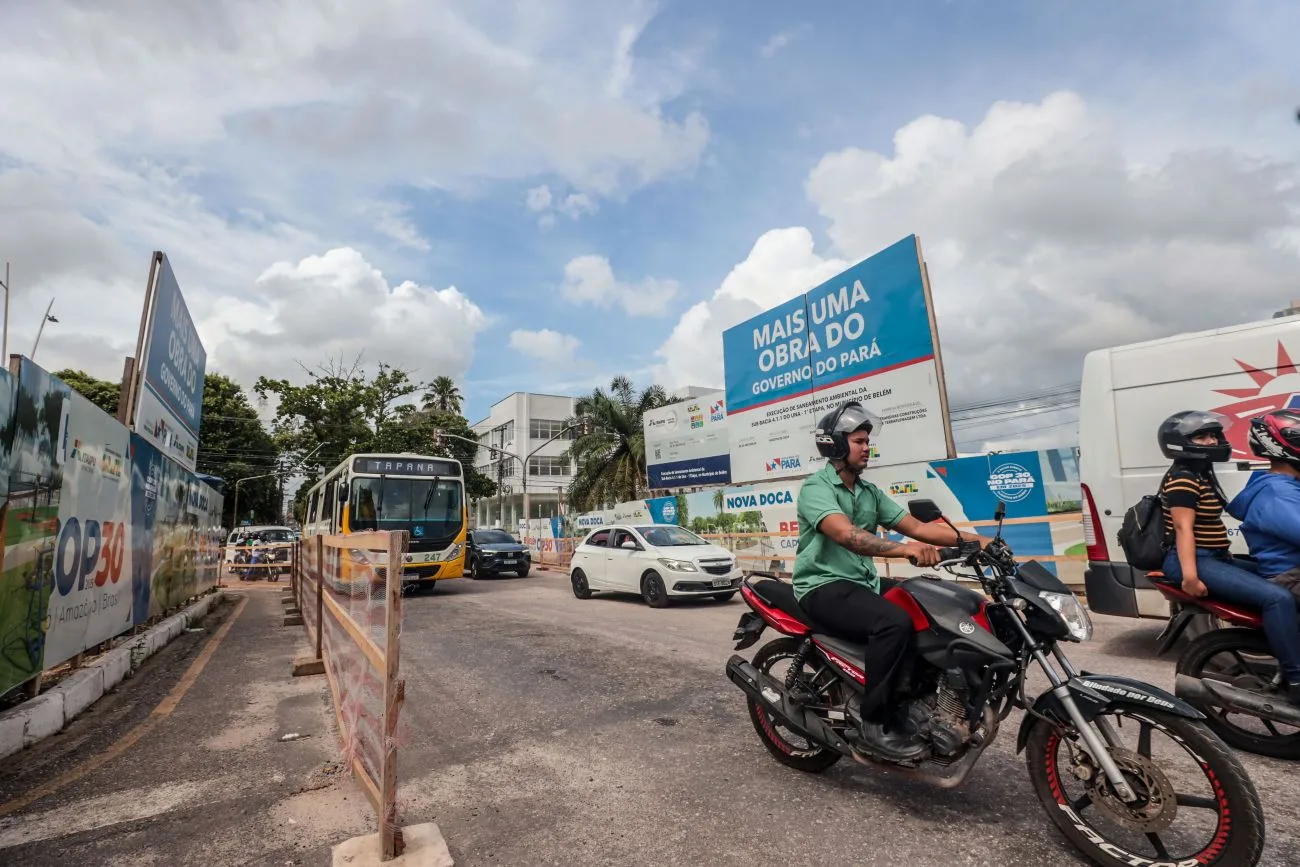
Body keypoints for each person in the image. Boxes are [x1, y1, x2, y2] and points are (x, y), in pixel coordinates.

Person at [792, 399, 987, 762]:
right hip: (822, 584)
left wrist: (979, 541)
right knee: (893, 622)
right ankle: (873, 723)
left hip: (859, 582)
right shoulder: (815, 488)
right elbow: (848, 536)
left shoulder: (868, 493)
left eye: (868, 441)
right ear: (834, 444)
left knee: (927, 609)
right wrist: (904, 551)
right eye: (859, 441)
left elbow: (918, 527)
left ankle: (914, 703)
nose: (867, 447)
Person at [1157, 410, 1300, 701]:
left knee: (1274, 577)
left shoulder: (1201, 474)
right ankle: (1297, 679)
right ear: (1179, 442)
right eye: (1202, 436)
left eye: (1213, 435)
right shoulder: (1182, 477)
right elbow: (1183, 528)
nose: (1211, 441)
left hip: (1215, 557)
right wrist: (1190, 576)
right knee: (1277, 597)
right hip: (1196, 560)